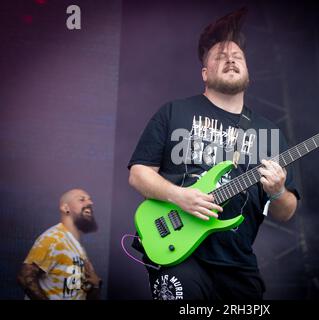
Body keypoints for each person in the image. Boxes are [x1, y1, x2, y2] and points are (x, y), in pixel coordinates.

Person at [128, 8, 300, 300]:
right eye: (220, 56)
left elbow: (286, 211)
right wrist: (178, 196)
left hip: (237, 264)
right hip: (177, 251)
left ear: (248, 73)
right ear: (205, 73)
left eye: (238, 57)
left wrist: (278, 190)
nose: (231, 59)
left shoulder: (269, 133)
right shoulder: (174, 112)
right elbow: (138, 174)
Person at [17, 188, 102, 300]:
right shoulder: (54, 238)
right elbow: (24, 277)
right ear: (66, 208)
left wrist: (95, 285)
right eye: (82, 199)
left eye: (90, 200)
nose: (90, 203)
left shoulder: (77, 248)